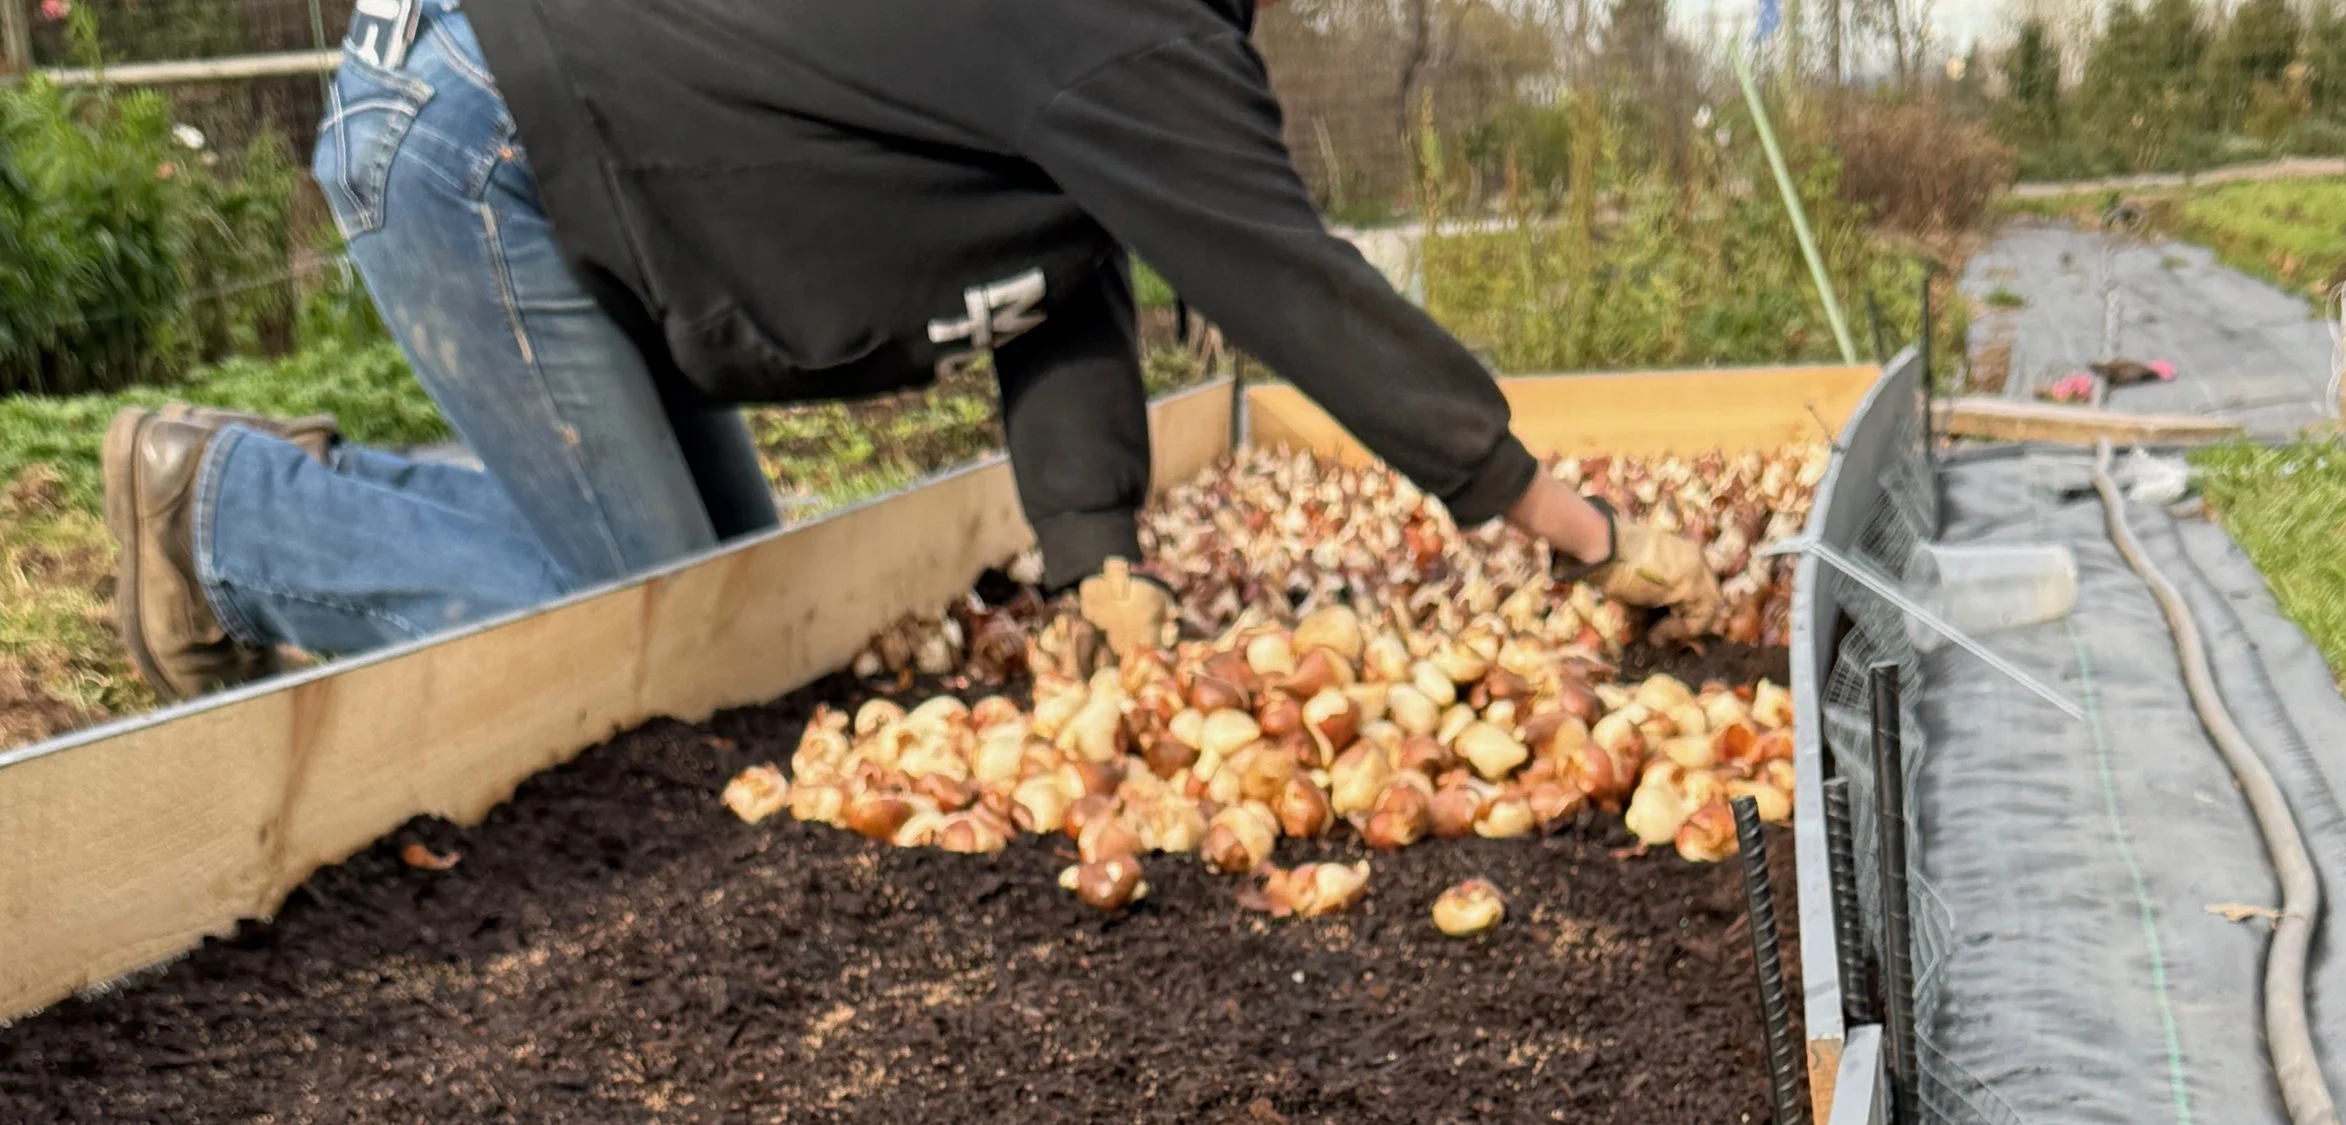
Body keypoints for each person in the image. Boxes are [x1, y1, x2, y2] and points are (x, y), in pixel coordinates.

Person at [105, 0, 1715, 706]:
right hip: (482, 138)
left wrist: (1096, 562)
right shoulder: (1126, 33)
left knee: (733, 604)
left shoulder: (1104, 51)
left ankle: (301, 501)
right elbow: (1297, 290)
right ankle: (235, 520)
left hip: (562, 135)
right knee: (666, 655)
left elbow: (1059, 269)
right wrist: (1567, 523)